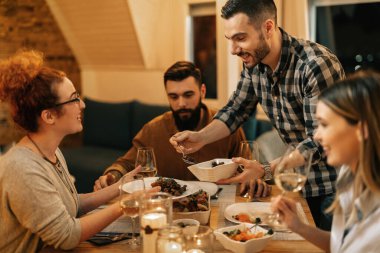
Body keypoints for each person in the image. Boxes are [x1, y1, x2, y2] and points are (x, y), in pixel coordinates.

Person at [170, 0, 345, 230]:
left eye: (240, 38)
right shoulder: (254, 66)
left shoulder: (315, 65)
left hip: (337, 187)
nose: (233, 49)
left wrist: (264, 169)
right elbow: (235, 110)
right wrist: (200, 137)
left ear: (268, 28)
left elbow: (320, 142)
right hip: (299, 185)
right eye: (229, 39)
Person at [0, 50, 158, 252]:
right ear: (49, 116)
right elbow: (67, 235)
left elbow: (72, 204)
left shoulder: (52, 152)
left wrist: (120, 186)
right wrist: (125, 204)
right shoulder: (22, 169)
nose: (82, 105)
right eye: (74, 99)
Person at [94, 61, 271, 198]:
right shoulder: (153, 130)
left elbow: (248, 168)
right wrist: (112, 175)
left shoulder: (225, 126)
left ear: (202, 91)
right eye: (173, 96)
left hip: (218, 205)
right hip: (169, 210)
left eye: (188, 95)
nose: (181, 104)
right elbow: (126, 164)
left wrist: (256, 181)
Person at [272, 71, 380, 252]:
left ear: (362, 129)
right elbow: (341, 246)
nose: (317, 136)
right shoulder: (348, 177)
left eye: (324, 124)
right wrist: (297, 226)